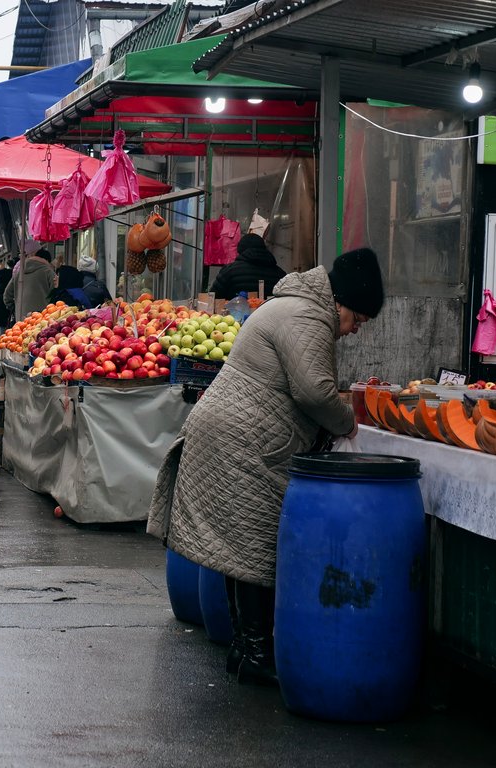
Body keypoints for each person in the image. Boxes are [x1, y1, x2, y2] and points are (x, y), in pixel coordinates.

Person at [149, 248, 384, 686]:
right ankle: (255, 653)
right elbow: (314, 392)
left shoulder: (294, 306)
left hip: (234, 433)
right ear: (343, 302)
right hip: (244, 440)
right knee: (254, 549)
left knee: (241, 549)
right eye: (358, 320)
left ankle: (245, 647)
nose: (353, 332)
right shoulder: (309, 317)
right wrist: (349, 422)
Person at [211, 233, 287, 301]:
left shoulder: (229, 271)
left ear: (240, 250)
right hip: (270, 316)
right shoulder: (280, 274)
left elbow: (213, 298)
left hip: (234, 316)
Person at [4, 246, 56, 320]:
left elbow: (7, 296)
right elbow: (56, 292)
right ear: (47, 260)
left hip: (21, 318)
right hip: (42, 317)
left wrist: (16, 308)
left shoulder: (19, 273)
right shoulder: (48, 271)